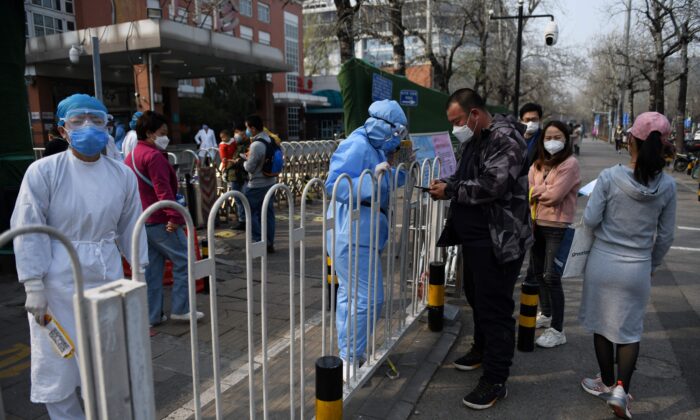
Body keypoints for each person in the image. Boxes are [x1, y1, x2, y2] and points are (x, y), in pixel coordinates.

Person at [10, 94, 148, 419]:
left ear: (107, 125)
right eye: (77, 121)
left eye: (96, 120)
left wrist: (139, 270)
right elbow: (29, 226)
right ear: (61, 130)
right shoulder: (43, 171)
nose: (88, 127)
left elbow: (133, 225)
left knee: (106, 362)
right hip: (56, 283)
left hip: (106, 277)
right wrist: (32, 283)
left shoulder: (122, 175)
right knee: (57, 364)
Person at [428, 88, 532, 410]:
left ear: (474, 114)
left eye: (457, 120)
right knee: (476, 295)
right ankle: (481, 348)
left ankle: (496, 378)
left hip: (499, 241)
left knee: (495, 307)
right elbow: (465, 176)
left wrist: (452, 190)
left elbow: (493, 185)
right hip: (476, 240)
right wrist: (446, 183)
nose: (455, 127)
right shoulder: (474, 139)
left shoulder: (505, 139)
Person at [579, 112, 676, 420]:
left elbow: (591, 220)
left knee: (602, 325)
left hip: (604, 261)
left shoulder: (609, 177)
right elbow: (666, 236)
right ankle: (622, 390)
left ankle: (606, 382)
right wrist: (652, 264)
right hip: (638, 267)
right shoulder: (668, 186)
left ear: (631, 140)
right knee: (630, 331)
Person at [325, 99, 408, 376]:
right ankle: (350, 358)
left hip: (360, 233)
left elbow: (379, 180)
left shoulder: (372, 146)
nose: (397, 141)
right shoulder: (359, 144)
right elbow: (334, 185)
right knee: (370, 298)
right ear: (384, 126)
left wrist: (398, 175)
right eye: (397, 134)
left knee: (351, 297)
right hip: (353, 232)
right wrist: (372, 180)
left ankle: (349, 354)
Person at [125, 111, 204, 326]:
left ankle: (152, 315)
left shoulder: (131, 156)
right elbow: (164, 191)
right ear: (150, 133)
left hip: (143, 221)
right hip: (161, 219)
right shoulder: (154, 157)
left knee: (152, 271)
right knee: (185, 260)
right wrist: (174, 216)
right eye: (162, 133)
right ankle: (181, 309)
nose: (166, 137)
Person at [528, 120, 581, 348]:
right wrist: (540, 191)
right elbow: (527, 188)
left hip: (557, 226)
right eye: (548, 137)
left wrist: (537, 192)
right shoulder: (538, 164)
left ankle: (558, 330)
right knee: (538, 273)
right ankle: (546, 314)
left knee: (551, 276)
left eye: (557, 137)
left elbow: (556, 196)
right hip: (535, 224)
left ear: (566, 139)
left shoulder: (570, 164)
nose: (552, 141)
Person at [243, 115, 278, 252]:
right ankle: (269, 242)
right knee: (268, 213)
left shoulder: (256, 145)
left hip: (257, 184)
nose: (247, 130)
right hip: (271, 181)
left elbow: (250, 167)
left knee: (249, 211)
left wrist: (244, 162)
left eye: (247, 128)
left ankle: (259, 240)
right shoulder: (270, 140)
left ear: (252, 128)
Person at [230, 123, 250, 230]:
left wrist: (239, 161)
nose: (235, 134)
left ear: (244, 131)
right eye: (235, 132)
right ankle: (242, 220)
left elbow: (249, 159)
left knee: (244, 198)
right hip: (235, 175)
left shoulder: (249, 144)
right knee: (237, 199)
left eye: (238, 132)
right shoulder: (237, 145)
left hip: (243, 175)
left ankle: (245, 220)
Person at [519, 102, 543, 166]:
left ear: (540, 120)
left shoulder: (544, 138)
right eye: (527, 120)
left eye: (534, 119)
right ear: (521, 121)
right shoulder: (514, 137)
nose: (530, 123)